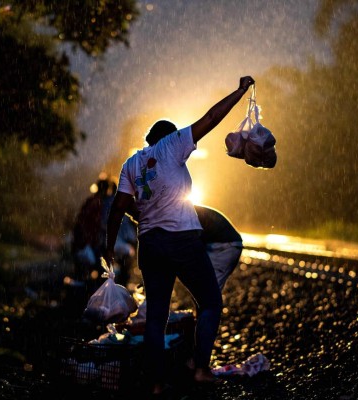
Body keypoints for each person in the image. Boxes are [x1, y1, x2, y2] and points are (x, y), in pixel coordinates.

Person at [104, 76, 255, 396]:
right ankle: (200, 368)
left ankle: (157, 384)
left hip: (151, 244)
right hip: (181, 237)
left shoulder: (132, 163)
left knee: (156, 318)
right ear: (170, 136)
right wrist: (240, 91)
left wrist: (108, 248)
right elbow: (211, 118)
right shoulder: (173, 144)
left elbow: (118, 208)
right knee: (211, 300)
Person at [194, 205, 243, 291]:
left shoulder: (185, 213)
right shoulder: (187, 210)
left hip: (224, 246)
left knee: (208, 288)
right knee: (206, 288)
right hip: (225, 244)